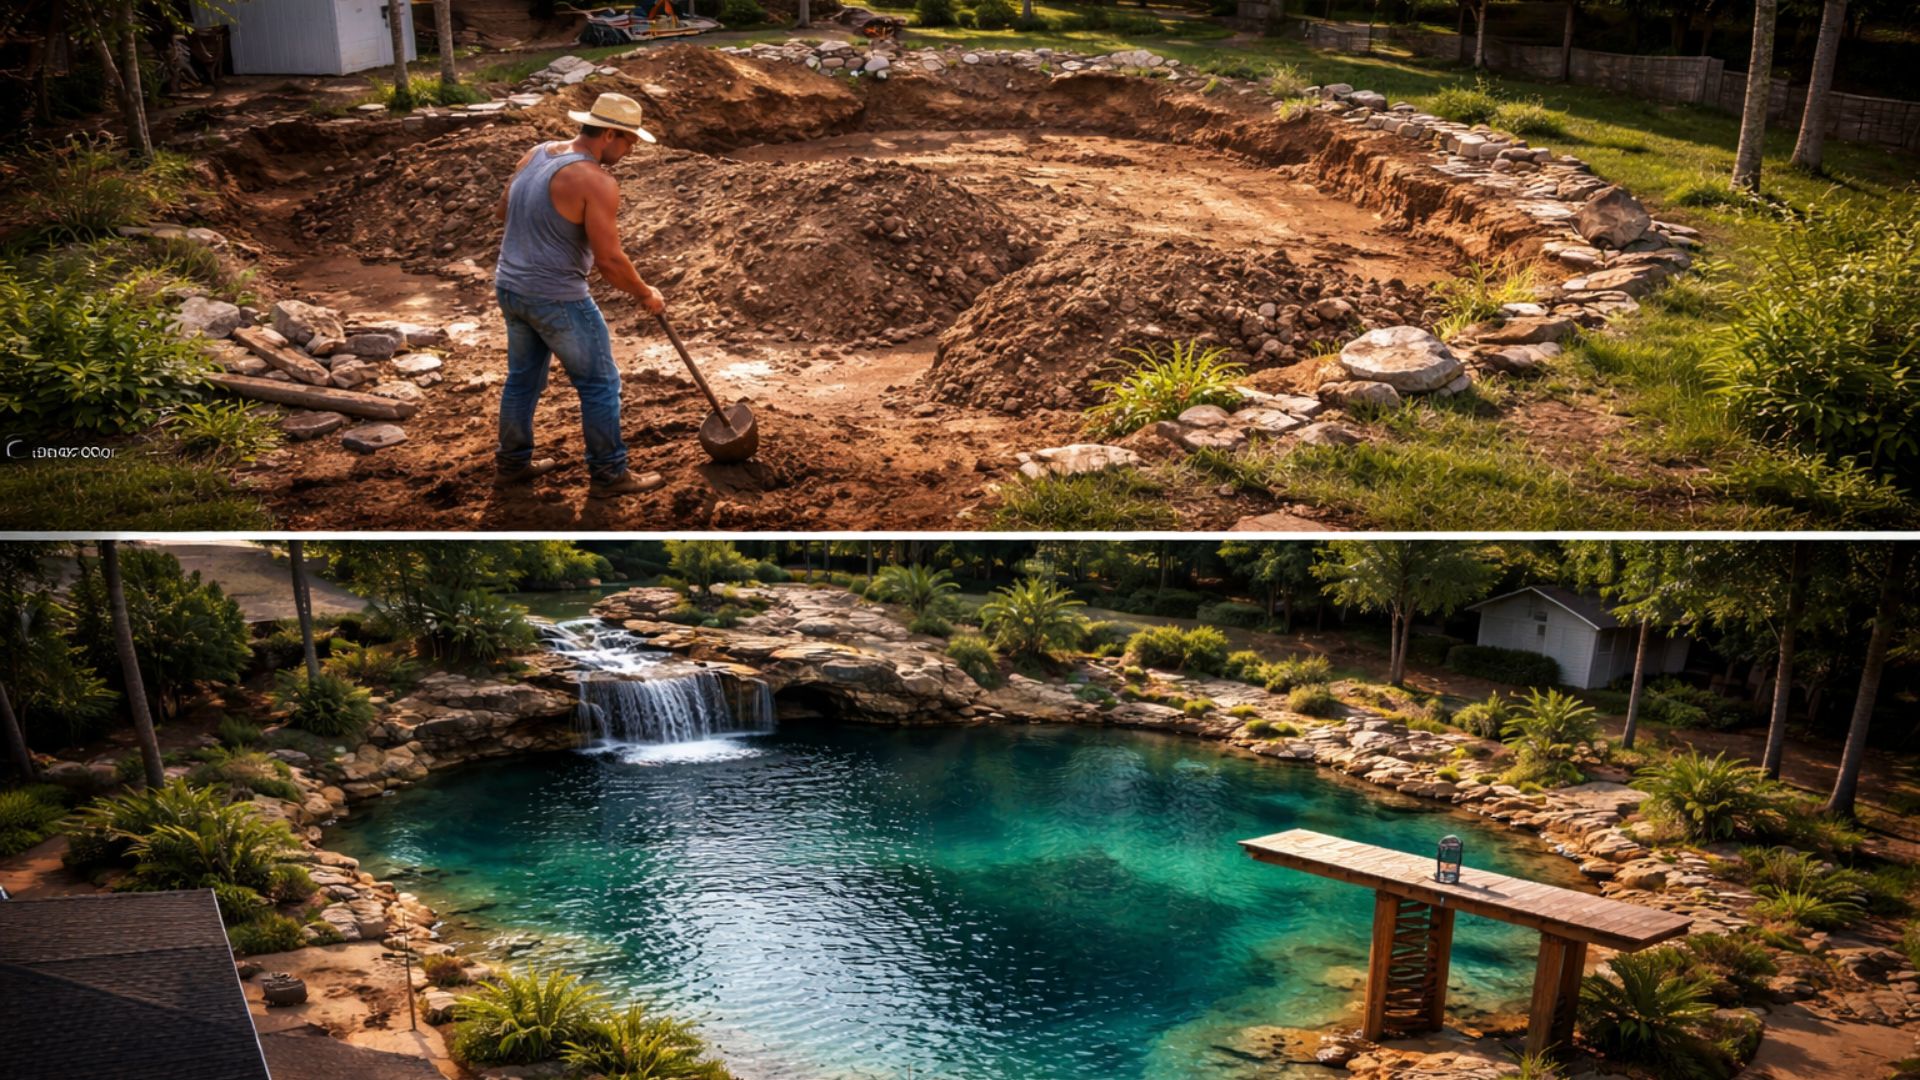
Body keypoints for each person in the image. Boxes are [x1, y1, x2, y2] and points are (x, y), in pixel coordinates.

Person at [493, 91, 667, 498]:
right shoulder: (597, 180)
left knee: (522, 381)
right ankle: (609, 474)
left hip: (510, 286)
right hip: (556, 297)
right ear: (609, 134)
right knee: (600, 384)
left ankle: (512, 465)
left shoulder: (536, 154)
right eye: (629, 142)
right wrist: (645, 293)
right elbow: (609, 260)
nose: (630, 151)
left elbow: (502, 211)